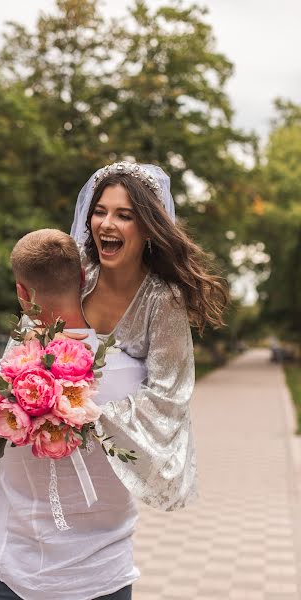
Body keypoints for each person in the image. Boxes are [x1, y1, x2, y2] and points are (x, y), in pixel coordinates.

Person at [0, 229, 147, 600]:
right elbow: (145, 461)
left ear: (21, 292)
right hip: (104, 576)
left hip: (21, 574)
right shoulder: (134, 374)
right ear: (83, 278)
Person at [70, 161, 228, 511]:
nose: (107, 224)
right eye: (99, 212)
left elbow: (168, 396)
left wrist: (85, 412)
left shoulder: (163, 299)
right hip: (50, 444)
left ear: (147, 228)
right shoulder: (76, 273)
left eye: (124, 215)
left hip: (107, 451)